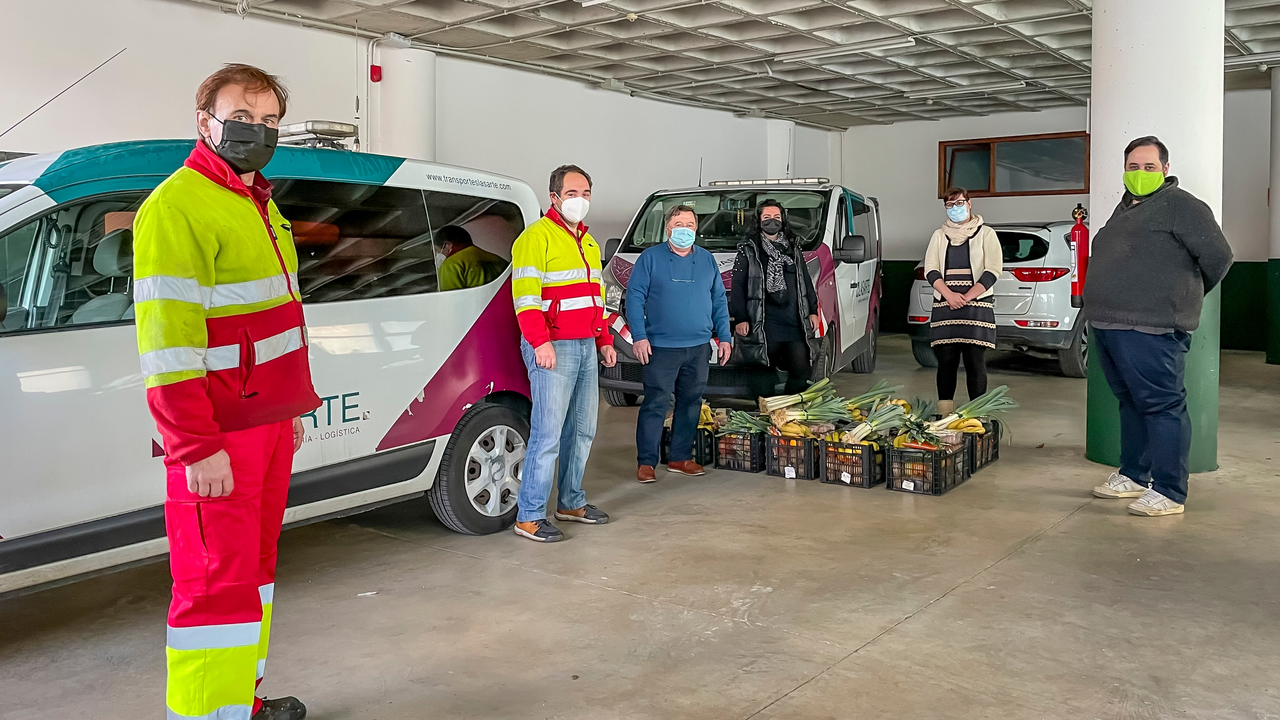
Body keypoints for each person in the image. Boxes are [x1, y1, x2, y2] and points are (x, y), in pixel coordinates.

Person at [133, 64, 321, 720]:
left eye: (270, 122)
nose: (257, 131)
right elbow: (168, 347)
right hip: (217, 438)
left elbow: (276, 320)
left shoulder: (259, 203)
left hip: (264, 426)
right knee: (214, 587)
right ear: (204, 119)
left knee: (253, 577)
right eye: (243, 117)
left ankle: (243, 701)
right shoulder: (176, 206)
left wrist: (288, 404)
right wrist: (194, 446)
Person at [1086, 135, 1233, 517]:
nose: (1140, 173)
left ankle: (1170, 490)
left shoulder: (1181, 206)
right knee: (1131, 402)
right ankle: (1135, 475)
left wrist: (1180, 295)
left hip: (1151, 327)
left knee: (1162, 406)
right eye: (1133, 167)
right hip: (1108, 323)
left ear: (1165, 169)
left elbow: (1218, 256)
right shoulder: (1125, 208)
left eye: (1149, 167)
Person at [510, 164, 617, 542]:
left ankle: (571, 501)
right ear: (554, 196)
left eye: (586, 194)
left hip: (586, 345)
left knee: (584, 430)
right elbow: (525, 298)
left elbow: (596, 298)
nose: (580, 201)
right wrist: (540, 342)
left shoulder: (587, 241)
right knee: (548, 434)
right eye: (573, 194)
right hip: (553, 347)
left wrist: (604, 340)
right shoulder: (535, 238)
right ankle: (530, 515)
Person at [626, 205, 733, 483]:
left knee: (690, 403)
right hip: (660, 346)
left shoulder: (708, 260)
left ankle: (680, 457)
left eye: (689, 224)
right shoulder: (650, 258)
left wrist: (724, 337)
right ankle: (646, 462)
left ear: (696, 229)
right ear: (667, 229)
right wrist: (639, 336)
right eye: (678, 223)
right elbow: (635, 298)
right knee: (655, 403)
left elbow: (719, 300)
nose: (684, 229)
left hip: (698, 346)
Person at [922, 187, 1002, 416]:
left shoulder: (986, 233)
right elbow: (931, 269)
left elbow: (993, 270)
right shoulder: (938, 236)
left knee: (974, 361)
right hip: (945, 306)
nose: (955, 208)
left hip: (977, 307)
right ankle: (945, 415)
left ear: (969, 203)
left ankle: (976, 416)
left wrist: (966, 297)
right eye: (949, 205)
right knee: (946, 361)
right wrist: (948, 295)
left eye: (959, 203)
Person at [728, 200, 821, 397]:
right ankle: (766, 415)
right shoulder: (748, 250)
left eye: (777, 217)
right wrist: (740, 318)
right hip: (763, 324)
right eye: (767, 218)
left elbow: (805, 280)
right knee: (762, 372)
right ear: (759, 221)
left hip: (793, 322)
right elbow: (738, 287)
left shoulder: (793, 248)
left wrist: (813, 310)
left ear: (783, 220)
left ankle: (787, 409)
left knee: (801, 370)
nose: (772, 221)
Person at [434, 224, 508, 291]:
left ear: (447, 245)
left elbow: (450, 300)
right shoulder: (498, 259)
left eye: (436, 250)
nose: (436, 254)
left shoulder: (450, 264)